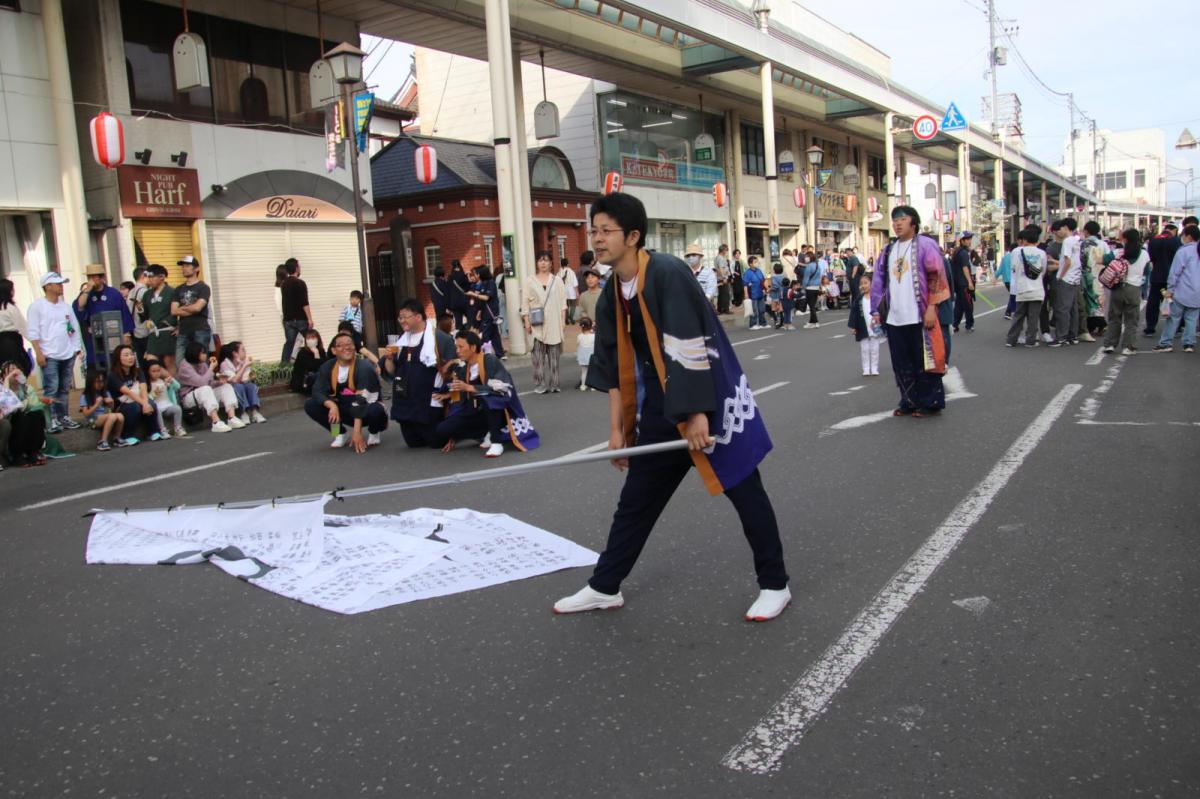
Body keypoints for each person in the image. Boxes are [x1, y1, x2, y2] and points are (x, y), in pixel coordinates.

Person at [553, 192, 790, 622]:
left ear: (634, 236)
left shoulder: (666, 272)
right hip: (661, 415)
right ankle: (605, 585)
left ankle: (775, 584)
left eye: (606, 231)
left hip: (707, 407)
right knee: (635, 504)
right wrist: (618, 430)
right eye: (594, 230)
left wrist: (697, 414)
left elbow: (689, 343)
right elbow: (611, 366)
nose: (598, 239)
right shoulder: (610, 295)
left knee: (745, 491)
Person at [870, 206, 951, 417]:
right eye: (894, 220)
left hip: (919, 314)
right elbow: (878, 282)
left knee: (925, 360)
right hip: (895, 317)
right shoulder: (888, 250)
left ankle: (929, 401)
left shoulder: (926, 245)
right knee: (901, 362)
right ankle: (908, 399)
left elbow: (937, 276)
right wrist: (876, 311)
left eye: (902, 219)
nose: (897, 224)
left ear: (913, 222)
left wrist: (932, 307)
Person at [433, 329, 539, 458]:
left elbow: (502, 388)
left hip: (497, 411)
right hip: (475, 410)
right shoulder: (464, 367)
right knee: (443, 430)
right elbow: (462, 395)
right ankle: (484, 432)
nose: (457, 350)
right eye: (456, 347)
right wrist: (448, 396)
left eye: (461, 347)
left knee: (489, 398)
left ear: (473, 347)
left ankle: (496, 441)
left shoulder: (490, 361)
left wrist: (471, 388)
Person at [384, 298, 455, 448]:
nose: (401, 321)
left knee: (435, 442)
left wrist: (448, 393)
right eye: (400, 318)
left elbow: (453, 368)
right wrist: (389, 359)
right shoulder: (400, 342)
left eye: (405, 317)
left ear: (418, 317)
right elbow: (391, 371)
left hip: (427, 401)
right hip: (403, 399)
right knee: (413, 444)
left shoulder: (441, 339)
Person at [307, 330, 388, 452]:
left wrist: (357, 432)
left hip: (366, 408)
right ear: (334, 350)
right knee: (311, 404)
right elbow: (318, 391)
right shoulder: (327, 367)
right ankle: (339, 434)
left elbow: (362, 400)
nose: (347, 347)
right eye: (341, 345)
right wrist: (332, 405)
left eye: (349, 344)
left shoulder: (364, 368)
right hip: (344, 409)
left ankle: (374, 432)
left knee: (375, 409)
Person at [26, 271, 83, 432]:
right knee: (51, 387)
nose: (61, 286)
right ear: (47, 286)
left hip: (67, 352)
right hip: (49, 354)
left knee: (64, 388)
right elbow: (33, 331)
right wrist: (39, 352)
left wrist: (76, 348)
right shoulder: (37, 306)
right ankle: (51, 419)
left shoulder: (65, 307)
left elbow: (73, 327)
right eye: (58, 283)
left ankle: (63, 416)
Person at [522, 250, 568, 393]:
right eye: (540, 260)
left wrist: (563, 320)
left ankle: (554, 383)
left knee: (554, 355)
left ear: (551, 263)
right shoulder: (530, 280)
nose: (543, 263)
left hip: (554, 321)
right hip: (537, 322)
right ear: (537, 263)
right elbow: (525, 302)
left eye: (546, 260)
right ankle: (540, 384)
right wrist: (526, 321)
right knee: (537, 355)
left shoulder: (557, 280)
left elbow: (562, 302)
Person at [72, 263, 134, 370]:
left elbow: (124, 313)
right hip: (94, 336)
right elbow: (79, 306)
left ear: (101, 277)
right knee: (95, 366)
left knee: (114, 364)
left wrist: (126, 334)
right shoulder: (86, 294)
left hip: (113, 335)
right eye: (89, 277)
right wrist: (87, 290)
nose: (91, 279)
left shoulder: (113, 293)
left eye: (94, 276)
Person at [177, 341, 243, 433]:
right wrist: (211, 368)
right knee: (205, 389)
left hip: (204, 393)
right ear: (195, 353)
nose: (205, 355)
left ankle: (231, 417)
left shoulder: (202, 363)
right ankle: (216, 422)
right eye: (203, 353)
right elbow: (201, 383)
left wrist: (219, 382)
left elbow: (209, 382)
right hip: (189, 398)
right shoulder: (185, 366)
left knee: (226, 386)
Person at [1153, 223, 1200, 353]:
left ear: (1189, 236)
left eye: (1183, 235)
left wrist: (1170, 289)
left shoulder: (1184, 251)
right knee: (1191, 319)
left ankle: (1166, 343)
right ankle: (1189, 344)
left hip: (1182, 291)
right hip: (1197, 293)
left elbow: (1175, 272)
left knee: (1173, 318)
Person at [1104, 228, 1150, 355]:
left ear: (1124, 239)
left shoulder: (1118, 252)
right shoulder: (1145, 254)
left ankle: (1110, 344)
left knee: (1114, 317)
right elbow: (1147, 270)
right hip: (1134, 289)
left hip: (1118, 287)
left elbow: (1102, 260)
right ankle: (1128, 347)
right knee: (1131, 319)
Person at [107, 344, 165, 441]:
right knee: (135, 406)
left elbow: (143, 388)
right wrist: (144, 404)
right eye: (126, 355)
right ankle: (127, 435)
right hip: (121, 404)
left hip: (137, 399)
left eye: (131, 354)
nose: (130, 357)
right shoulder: (113, 375)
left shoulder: (138, 371)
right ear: (118, 358)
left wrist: (146, 403)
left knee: (151, 404)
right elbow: (128, 392)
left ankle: (153, 432)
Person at [1004, 226, 1047, 349]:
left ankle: (1011, 340)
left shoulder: (1017, 251)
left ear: (1025, 240)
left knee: (1018, 316)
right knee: (1033, 318)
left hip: (1021, 288)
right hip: (1037, 289)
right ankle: (1030, 341)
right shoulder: (1042, 253)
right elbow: (1043, 271)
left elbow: (1014, 268)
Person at [0, 360, 47, 466]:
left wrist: (24, 402)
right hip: (11, 419)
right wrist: (7, 379)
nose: (14, 372)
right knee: (21, 417)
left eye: (16, 369)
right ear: (4, 375)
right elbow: (7, 404)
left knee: (36, 414)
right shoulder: (2, 388)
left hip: (26, 416)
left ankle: (33, 452)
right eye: (10, 370)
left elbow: (34, 404)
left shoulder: (26, 387)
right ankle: (17, 455)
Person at [171, 255, 213, 364]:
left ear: (197, 269)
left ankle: (204, 381)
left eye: (187, 265)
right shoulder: (178, 289)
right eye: (183, 266)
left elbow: (198, 308)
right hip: (183, 330)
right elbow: (174, 311)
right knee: (180, 362)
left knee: (201, 362)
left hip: (200, 329)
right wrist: (191, 308)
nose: (184, 268)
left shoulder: (203, 287)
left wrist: (183, 308)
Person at [1048, 220, 1081, 347]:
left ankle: (1061, 337)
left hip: (1066, 278)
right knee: (1073, 309)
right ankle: (1073, 336)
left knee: (1062, 308)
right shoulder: (1076, 241)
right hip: (1075, 278)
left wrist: (1060, 276)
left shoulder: (1067, 241)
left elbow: (1067, 262)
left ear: (1065, 227)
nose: (1059, 231)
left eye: (1060, 228)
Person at [1145, 222, 1181, 338]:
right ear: (1173, 231)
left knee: (1153, 303)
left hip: (1157, 277)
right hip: (1171, 278)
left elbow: (1151, 257)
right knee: (1173, 303)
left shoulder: (1153, 240)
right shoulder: (1175, 241)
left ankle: (1150, 328)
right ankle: (1175, 328)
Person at [218, 341, 267, 424]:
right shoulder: (225, 364)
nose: (245, 352)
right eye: (243, 350)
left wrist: (245, 368)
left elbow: (245, 379)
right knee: (238, 386)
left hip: (242, 384)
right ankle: (244, 413)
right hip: (231, 389)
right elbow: (234, 381)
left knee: (251, 386)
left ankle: (255, 412)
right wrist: (244, 366)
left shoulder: (244, 361)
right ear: (235, 353)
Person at [141, 265, 177, 373]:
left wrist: (178, 326)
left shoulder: (172, 292)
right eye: (148, 277)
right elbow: (145, 315)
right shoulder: (147, 294)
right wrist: (140, 310)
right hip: (153, 332)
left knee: (168, 362)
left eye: (152, 277)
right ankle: (162, 385)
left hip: (167, 331)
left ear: (162, 277)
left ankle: (174, 386)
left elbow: (180, 311)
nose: (149, 280)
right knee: (151, 361)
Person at [79, 368, 127, 451]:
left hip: (106, 416)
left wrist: (111, 404)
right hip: (92, 420)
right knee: (112, 416)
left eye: (102, 381)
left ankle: (117, 438)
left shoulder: (106, 393)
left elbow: (111, 410)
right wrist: (96, 405)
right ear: (91, 382)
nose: (100, 384)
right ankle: (102, 441)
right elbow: (86, 414)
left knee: (120, 416)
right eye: (97, 381)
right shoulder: (85, 395)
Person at [849, 274, 884, 375]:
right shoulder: (859, 299)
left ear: (872, 283)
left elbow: (882, 310)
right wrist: (853, 326)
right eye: (861, 284)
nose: (863, 285)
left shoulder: (876, 297)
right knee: (864, 349)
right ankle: (866, 368)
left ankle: (874, 368)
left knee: (875, 349)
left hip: (875, 326)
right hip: (862, 327)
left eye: (866, 283)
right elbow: (854, 313)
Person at [279, 258, 313, 363]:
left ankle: (283, 366)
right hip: (300, 319)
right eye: (299, 266)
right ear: (296, 268)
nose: (300, 268)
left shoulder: (283, 284)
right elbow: (304, 303)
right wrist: (310, 319)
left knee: (289, 343)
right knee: (310, 341)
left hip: (288, 319)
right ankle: (314, 361)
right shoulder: (300, 283)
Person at [466, 266, 504, 358]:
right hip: (485, 312)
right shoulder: (483, 283)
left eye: (476, 273)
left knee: (485, 334)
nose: (476, 275)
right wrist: (479, 311)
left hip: (490, 313)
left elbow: (486, 297)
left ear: (481, 273)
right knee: (494, 334)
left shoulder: (490, 283)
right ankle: (500, 353)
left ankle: (485, 354)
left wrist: (473, 294)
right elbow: (482, 296)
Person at [146, 359, 186, 437]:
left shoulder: (162, 381)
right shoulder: (148, 384)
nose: (156, 373)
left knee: (177, 409)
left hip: (167, 405)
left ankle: (178, 427)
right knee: (157, 411)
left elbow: (177, 386)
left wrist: (171, 381)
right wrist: (154, 393)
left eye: (158, 371)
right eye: (153, 371)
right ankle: (162, 429)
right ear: (148, 372)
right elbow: (148, 398)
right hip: (157, 406)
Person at [0, 279, 30, 375]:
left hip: (2, 341)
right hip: (11, 342)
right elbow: (23, 326)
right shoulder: (9, 307)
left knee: (5, 371)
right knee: (19, 368)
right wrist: (35, 343)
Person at [289, 329, 329, 395]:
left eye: (313, 338)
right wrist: (316, 354)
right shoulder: (302, 353)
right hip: (304, 382)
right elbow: (313, 368)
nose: (311, 340)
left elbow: (325, 366)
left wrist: (317, 353)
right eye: (308, 338)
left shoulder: (321, 350)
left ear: (318, 339)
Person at [951, 232, 975, 333]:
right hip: (964, 283)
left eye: (970, 239)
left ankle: (955, 324)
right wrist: (970, 282)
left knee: (959, 305)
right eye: (967, 239)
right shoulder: (964, 253)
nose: (970, 241)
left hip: (958, 283)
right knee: (968, 304)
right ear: (962, 240)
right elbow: (965, 268)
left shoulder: (957, 252)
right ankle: (969, 324)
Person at [685, 243, 718, 309]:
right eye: (688, 255)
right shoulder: (684, 272)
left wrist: (701, 303)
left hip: (704, 307)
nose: (691, 257)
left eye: (694, 255)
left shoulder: (709, 272)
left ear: (700, 256)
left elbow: (710, 291)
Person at [448, 260, 473, 331]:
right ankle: (468, 335)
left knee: (458, 323)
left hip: (455, 303)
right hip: (465, 302)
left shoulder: (450, 277)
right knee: (470, 319)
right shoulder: (463, 276)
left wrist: (450, 306)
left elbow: (448, 291)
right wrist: (468, 276)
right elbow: (468, 288)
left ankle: (459, 337)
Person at [743, 255, 767, 329]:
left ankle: (763, 323)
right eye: (755, 262)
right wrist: (746, 294)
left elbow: (763, 281)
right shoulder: (747, 273)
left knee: (762, 309)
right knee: (754, 310)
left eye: (757, 262)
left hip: (760, 292)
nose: (757, 263)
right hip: (753, 293)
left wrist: (765, 289)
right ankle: (753, 324)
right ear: (750, 264)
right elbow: (745, 284)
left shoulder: (759, 270)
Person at [800, 252, 822, 328]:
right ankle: (811, 322)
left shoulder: (809, 266)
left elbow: (805, 279)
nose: (805, 258)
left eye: (806, 257)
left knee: (811, 306)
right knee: (812, 305)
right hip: (816, 287)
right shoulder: (817, 265)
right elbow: (819, 277)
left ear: (810, 257)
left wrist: (803, 288)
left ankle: (815, 321)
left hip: (810, 288)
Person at [997, 241, 1016, 320]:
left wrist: (995, 276)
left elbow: (1000, 269)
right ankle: (1009, 312)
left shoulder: (1005, 257)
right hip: (1014, 280)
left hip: (1006, 281)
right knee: (1014, 296)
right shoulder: (1016, 257)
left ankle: (1010, 312)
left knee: (1013, 296)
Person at [558, 258, 580, 324]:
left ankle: (566, 319)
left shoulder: (559, 273)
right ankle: (571, 317)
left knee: (565, 305)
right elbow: (575, 283)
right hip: (571, 291)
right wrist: (577, 292)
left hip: (563, 292)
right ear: (568, 264)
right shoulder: (571, 272)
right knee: (573, 305)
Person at [575, 317, 595, 390]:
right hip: (591, 357)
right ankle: (593, 386)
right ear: (591, 326)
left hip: (583, 357)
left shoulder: (579, 336)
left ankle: (583, 385)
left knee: (584, 372)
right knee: (592, 372)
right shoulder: (593, 336)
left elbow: (578, 344)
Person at [714, 244, 732, 314]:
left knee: (721, 294)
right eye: (726, 250)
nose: (726, 252)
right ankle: (725, 309)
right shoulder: (721, 258)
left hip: (719, 277)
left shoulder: (717, 257)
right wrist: (724, 277)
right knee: (725, 294)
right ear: (723, 250)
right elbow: (721, 268)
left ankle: (720, 309)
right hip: (722, 278)